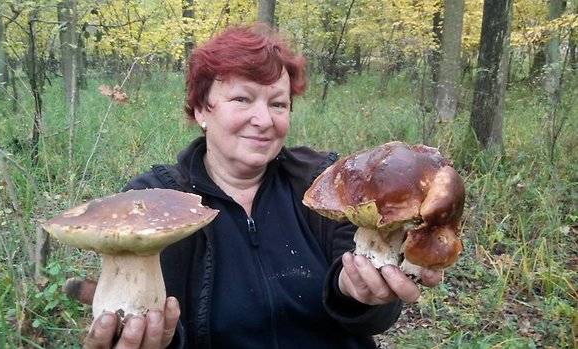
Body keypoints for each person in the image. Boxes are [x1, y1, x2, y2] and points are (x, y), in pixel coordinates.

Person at [73, 23, 443, 349]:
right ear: (202, 109)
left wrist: (356, 293)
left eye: (278, 104)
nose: (264, 120)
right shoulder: (155, 202)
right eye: (242, 99)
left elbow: (370, 317)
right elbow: (167, 326)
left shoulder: (327, 183)